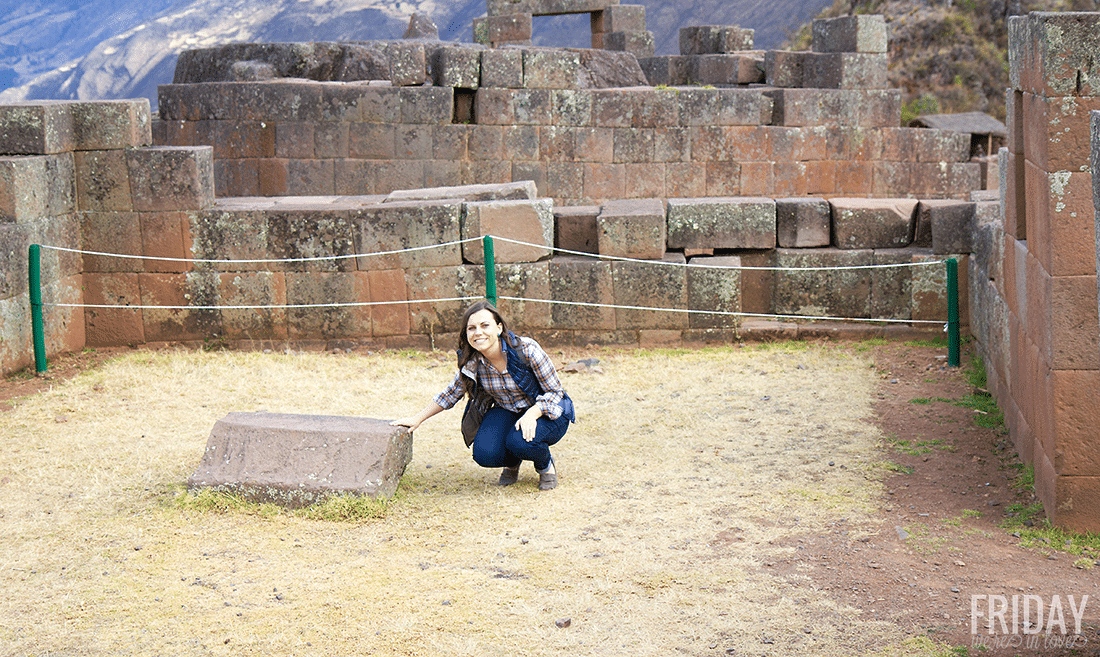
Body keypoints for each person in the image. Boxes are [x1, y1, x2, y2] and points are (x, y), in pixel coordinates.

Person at [391, 300, 575, 491]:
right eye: (471, 328)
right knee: (485, 453)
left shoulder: (526, 350)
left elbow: (555, 392)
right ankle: (512, 462)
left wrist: (532, 414)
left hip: (549, 411)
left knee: (519, 442)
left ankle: (544, 465)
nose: (478, 332)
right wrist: (417, 419)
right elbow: (451, 394)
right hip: (509, 411)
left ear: (499, 327)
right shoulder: (472, 362)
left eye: (485, 325)